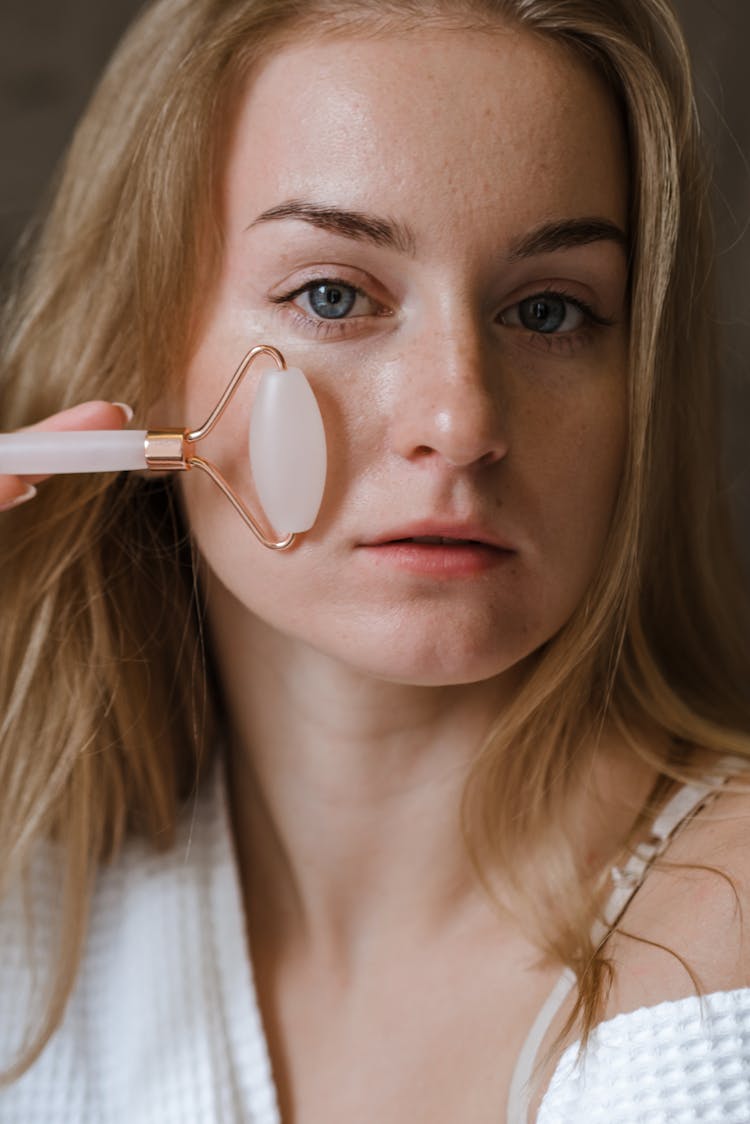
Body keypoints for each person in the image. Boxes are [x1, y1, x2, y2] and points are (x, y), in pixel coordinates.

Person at [1, 0, 749, 1120]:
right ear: (145, 356)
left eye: (549, 310)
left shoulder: (720, 949)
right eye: (333, 295)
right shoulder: (37, 890)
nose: (459, 419)